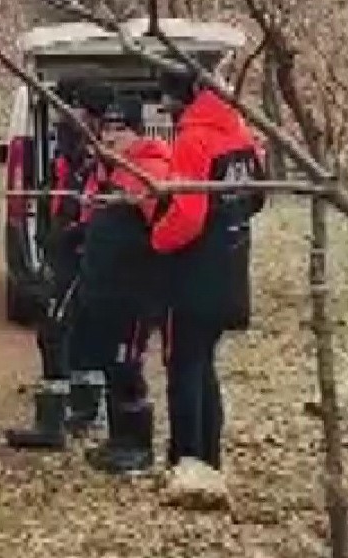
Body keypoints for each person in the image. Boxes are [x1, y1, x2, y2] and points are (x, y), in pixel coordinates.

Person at [90, 68, 268, 512]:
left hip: (192, 273)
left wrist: (156, 241)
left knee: (184, 367)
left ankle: (187, 461)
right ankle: (209, 456)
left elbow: (187, 214)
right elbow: (258, 194)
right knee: (205, 366)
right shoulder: (239, 131)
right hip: (232, 264)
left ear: (186, 98)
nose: (168, 113)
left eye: (170, 104)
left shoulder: (195, 137)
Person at [3, 79, 110, 450]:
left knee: (54, 329)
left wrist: (73, 234)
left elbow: (92, 202)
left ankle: (54, 424)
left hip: (78, 252)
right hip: (66, 247)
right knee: (74, 330)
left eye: (70, 107)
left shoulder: (98, 153)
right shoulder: (77, 148)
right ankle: (79, 410)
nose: (62, 118)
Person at [74, 95, 169, 475]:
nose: (111, 136)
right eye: (107, 129)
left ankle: (137, 447)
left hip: (134, 290)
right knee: (112, 366)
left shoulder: (151, 170)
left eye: (119, 129)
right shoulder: (109, 171)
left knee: (127, 363)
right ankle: (118, 440)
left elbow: (164, 228)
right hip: (105, 288)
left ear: (136, 132)